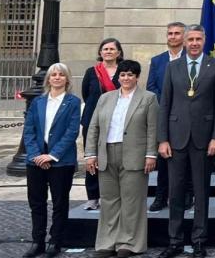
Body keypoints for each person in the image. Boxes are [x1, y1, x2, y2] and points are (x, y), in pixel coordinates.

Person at [158, 24, 215, 258]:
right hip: (176, 137)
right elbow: (165, 104)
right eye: (191, 39)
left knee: (201, 191)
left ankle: (199, 240)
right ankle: (175, 241)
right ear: (184, 42)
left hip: (204, 138)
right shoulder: (172, 67)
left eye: (198, 39)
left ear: (204, 40)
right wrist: (162, 139)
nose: (195, 43)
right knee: (175, 192)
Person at [84, 60, 159, 258]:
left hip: (134, 154)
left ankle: (129, 242)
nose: (126, 78)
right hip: (107, 153)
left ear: (137, 77)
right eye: (123, 74)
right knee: (109, 200)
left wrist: (151, 154)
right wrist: (90, 154)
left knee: (132, 201)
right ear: (118, 77)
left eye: (130, 75)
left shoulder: (148, 98)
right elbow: (93, 127)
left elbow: (153, 129)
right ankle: (107, 242)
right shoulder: (105, 98)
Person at [23, 63, 81, 258]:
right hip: (36, 160)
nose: (57, 77)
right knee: (37, 202)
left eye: (61, 75)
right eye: (53, 74)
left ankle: (55, 241)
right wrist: (36, 155)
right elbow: (29, 130)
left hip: (61, 161)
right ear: (48, 79)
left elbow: (71, 131)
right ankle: (37, 241)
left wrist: (52, 155)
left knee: (59, 203)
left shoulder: (73, 102)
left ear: (67, 79)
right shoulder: (37, 102)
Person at [146, 22, 185, 212]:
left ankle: (185, 195)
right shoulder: (157, 61)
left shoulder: (191, 59)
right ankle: (161, 197)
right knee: (163, 159)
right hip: (163, 116)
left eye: (177, 33)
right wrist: (166, 103)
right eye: (170, 33)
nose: (173, 36)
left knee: (184, 159)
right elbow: (151, 87)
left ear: (183, 36)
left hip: (185, 117)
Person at [81, 38, 122, 211]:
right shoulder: (91, 72)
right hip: (93, 120)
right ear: (100, 52)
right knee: (92, 158)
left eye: (112, 49)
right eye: (105, 49)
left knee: (114, 158)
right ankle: (93, 196)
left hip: (117, 121)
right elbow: (86, 94)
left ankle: (113, 195)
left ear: (118, 52)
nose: (108, 52)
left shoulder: (124, 71)